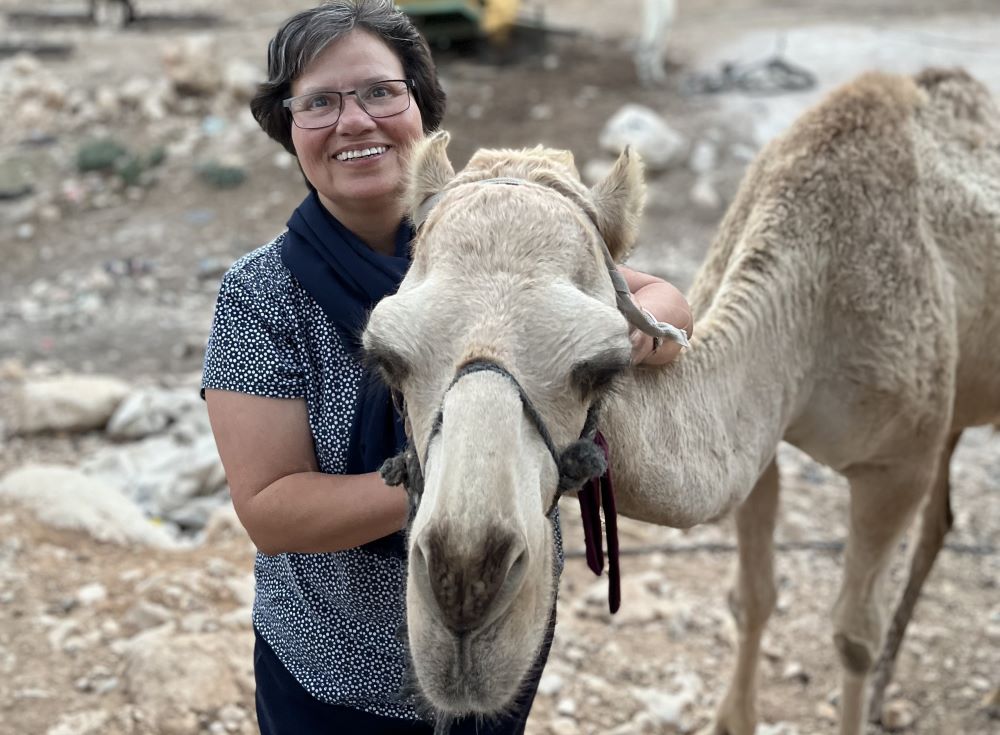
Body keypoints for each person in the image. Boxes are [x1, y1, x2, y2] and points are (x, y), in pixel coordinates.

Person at [202, 2, 693, 733]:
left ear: (419, 105)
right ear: (288, 127)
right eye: (320, 102)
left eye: (379, 91)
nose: (355, 121)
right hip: (332, 674)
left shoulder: (494, 235)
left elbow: (656, 297)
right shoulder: (259, 294)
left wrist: (616, 346)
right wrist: (453, 479)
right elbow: (270, 510)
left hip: (509, 611)